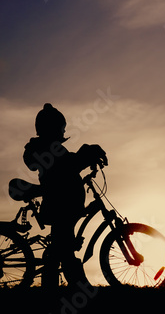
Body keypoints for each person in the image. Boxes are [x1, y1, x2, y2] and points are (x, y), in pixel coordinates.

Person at [23, 103, 107, 288]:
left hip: (62, 203)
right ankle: (78, 289)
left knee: (62, 247)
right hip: (61, 204)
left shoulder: (48, 148)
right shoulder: (49, 149)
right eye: (61, 128)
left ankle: (58, 289)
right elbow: (70, 165)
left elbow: (69, 165)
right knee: (64, 249)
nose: (63, 131)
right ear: (53, 128)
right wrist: (90, 151)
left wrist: (88, 153)